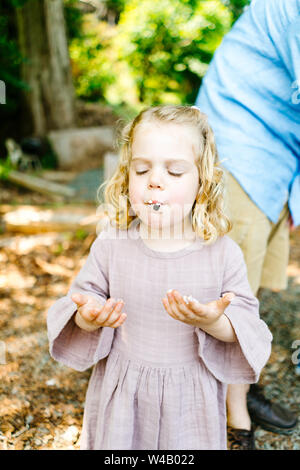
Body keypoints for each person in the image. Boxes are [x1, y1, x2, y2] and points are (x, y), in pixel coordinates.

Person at [47, 105, 272, 450]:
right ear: (127, 176)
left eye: (175, 171)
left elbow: (246, 325)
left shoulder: (222, 252)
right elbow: (81, 299)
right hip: (124, 393)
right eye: (141, 169)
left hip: (190, 399)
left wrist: (214, 322)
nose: (154, 179)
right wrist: (89, 317)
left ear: (203, 181)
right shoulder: (112, 242)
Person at [195, 0, 299, 450]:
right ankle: (217, 412)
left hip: (278, 154)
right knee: (225, 295)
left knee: (246, 296)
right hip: (240, 145)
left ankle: (238, 391)